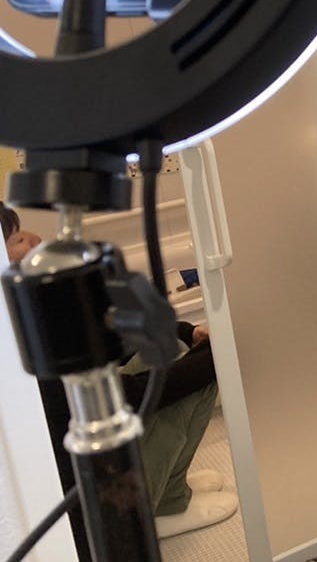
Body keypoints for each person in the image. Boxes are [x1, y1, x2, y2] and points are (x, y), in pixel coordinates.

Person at [1, 201, 237, 544]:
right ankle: (151, 508)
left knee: (175, 350)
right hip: (90, 496)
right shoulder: (15, 349)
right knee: (192, 378)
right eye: (18, 239)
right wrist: (215, 355)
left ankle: (169, 493)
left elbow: (110, 335)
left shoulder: (27, 313)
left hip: (92, 461)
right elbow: (128, 397)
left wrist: (188, 333)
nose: (35, 239)